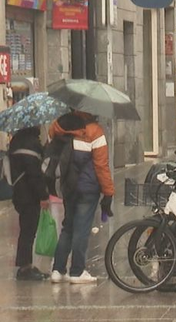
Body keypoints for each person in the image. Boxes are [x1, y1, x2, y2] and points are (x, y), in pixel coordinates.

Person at [48, 112, 113, 284]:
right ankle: (77, 271)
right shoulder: (94, 131)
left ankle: (57, 270)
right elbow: (101, 166)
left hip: (68, 186)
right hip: (87, 188)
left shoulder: (60, 126)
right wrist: (108, 192)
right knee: (81, 229)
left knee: (68, 227)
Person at [9, 126, 48, 281]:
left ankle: (25, 265)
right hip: (29, 194)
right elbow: (34, 174)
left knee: (26, 230)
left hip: (19, 192)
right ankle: (25, 268)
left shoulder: (17, 140)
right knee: (28, 231)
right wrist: (43, 196)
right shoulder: (30, 143)